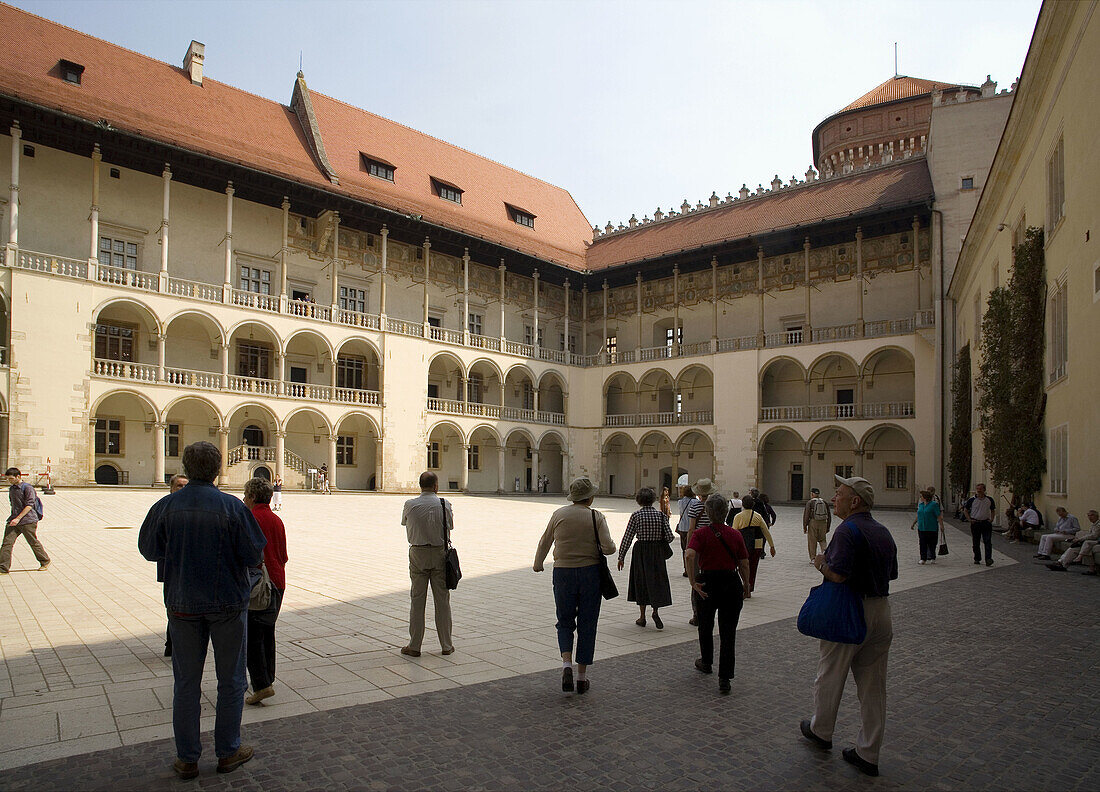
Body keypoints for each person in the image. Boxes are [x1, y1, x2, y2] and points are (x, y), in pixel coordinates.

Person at [138, 441, 266, 779]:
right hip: (227, 603)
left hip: (182, 603)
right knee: (231, 679)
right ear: (218, 468)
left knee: (186, 682)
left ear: (186, 466)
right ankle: (228, 751)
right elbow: (254, 553)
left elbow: (149, 549)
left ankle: (187, 757)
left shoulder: (166, 506)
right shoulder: (232, 507)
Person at [800, 475, 898, 778]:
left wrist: (820, 564)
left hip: (850, 610)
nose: (834, 498)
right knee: (873, 688)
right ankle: (869, 752)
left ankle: (821, 730)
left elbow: (839, 575)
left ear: (854, 501)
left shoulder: (847, 531)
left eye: (839, 494)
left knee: (830, 674)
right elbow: (891, 572)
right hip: (881, 610)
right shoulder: (882, 531)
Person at [533, 477, 615, 694]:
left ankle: (566, 664)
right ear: (590, 497)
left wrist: (538, 563)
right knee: (588, 624)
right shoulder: (596, 516)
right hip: (590, 574)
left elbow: (545, 541)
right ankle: (581, 677)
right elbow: (608, 548)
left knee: (565, 621)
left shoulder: (558, 514)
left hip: (563, 573)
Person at [686, 494, 750, 695]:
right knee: (728, 631)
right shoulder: (734, 534)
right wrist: (747, 584)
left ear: (707, 512)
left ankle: (706, 661)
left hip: (707, 582)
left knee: (705, 625)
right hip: (730, 582)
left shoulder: (701, 533)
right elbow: (744, 563)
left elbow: (689, 554)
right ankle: (725, 678)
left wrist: (692, 581)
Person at [243, 477, 288, 706]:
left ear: (251, 497)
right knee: (267, 632)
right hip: (278, 582)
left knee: (252, 637)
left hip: (259, 586)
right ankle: (268, 678)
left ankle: (261, 685)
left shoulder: (250, 519)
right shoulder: (276, 519)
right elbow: (284, 556)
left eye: (245, 495)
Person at [400, 472, 455, 658]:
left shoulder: (410, 504)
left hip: (418, 553)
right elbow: (451, 526)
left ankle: (414, 645)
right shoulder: (444, 504)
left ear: (420, 485)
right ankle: (446, 645)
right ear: (436, 486)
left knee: (417, 600)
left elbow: (404, 522)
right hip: (440, 553)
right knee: (442, 601)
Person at [618, 487, 674, 629]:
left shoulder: (636, 516)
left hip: (641, 551)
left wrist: (621, 556)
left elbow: (628, 537)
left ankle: (642, 616)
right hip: (656, 552)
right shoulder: (661, 516)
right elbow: (670, 536)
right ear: (653, 500)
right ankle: (655, 611)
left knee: (641, 581)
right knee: (656, 581)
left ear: (639, 501)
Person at [160, 474, 189, 658]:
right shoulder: (164, 508)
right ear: (171, 488)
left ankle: (178, 644)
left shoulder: (192, 508)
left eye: (185, 486)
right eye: (179, 486)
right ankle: (171, 643)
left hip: (190, 569)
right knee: (173, 605)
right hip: (171, 568)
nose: (182, 489)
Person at [1, 467, 49, 574]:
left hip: (28, 520)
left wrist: (18, 518)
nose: (10, 481)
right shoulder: (12, 489)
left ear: (18, 476)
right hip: (14, 520)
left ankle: (45, 561)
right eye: (8, 479)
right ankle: (3, 568)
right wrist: (14, 518)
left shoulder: (27, 488)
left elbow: (29, 505)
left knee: (32, 542)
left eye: (11, 479)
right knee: (6, 544)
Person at [684, 478, 717, 625]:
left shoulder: (695, 507)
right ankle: (710, 612)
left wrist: (688, 545)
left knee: (697, 580)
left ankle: (697, 614)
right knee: (711, 578)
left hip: (698, 545)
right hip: (712, 545)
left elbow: (691, 528)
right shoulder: (714, 506)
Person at [731, 494, 774, 595]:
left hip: (743, 544)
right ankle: (750, 587)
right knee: (753, 567)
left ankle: (745, 585)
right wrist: (772, 546)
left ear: (743, 504)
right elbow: (765, 531)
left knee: (742, 566)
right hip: (757, 545)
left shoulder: (738, 516)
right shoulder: (757, 516)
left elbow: (733, 532)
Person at [962, 483, 996, 566]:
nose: (979, 490)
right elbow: (965, 510)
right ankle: (977, 558)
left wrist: (991, 519)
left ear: (984, 490)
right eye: (977, 489)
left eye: (980, 489)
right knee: (976, 541)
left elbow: (992, 510)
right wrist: (969, 519)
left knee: (987, 541)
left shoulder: (989, 500)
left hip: (986, 522)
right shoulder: (972, 500)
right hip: (975, 522)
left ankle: (988, 558)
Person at [910, 489, 943, 564]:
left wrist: (941, 526)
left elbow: (938, 516)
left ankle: (932, 557)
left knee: (932, 543)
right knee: (922, 543)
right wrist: (914, 523)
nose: (920, 498)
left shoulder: (934, 505)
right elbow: (919, 515)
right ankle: (923, 558)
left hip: (932, 527)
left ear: (925, 497)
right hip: (922, 527)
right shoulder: (921, 505)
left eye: (921, 496)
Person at [803, 487, 832, 563]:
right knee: (823, 540)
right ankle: (825, 555)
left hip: (813, 522)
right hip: (823, 522)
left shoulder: (810, 502)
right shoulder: (824, 502)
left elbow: (806, 515)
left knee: (812, 541)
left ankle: (813, 558)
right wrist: (828, 526)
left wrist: (805, 526)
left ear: (812, 494)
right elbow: (829, 515)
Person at [675, 479, 694, 579]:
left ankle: (686, 569)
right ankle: (693, 568)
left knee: (684, 550)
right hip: (692, 527)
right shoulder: (695, 502)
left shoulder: (680, 502)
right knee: (693, 549)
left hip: (682, 527)